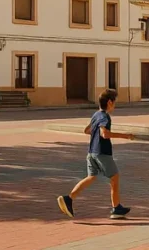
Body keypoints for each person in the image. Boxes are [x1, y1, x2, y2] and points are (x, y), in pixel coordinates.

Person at [57, 89, 134, 220]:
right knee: (114, 177)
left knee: (91, 177)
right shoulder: (105, 116)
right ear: (109, 102)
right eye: (114, 102)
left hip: (92, 152)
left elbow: (87, 130)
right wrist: (125, 136)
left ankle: (68, 198)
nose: (115, 105)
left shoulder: (96, 115)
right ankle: (116, 208)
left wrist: (96, 133)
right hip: (102, 153)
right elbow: (105, 134)